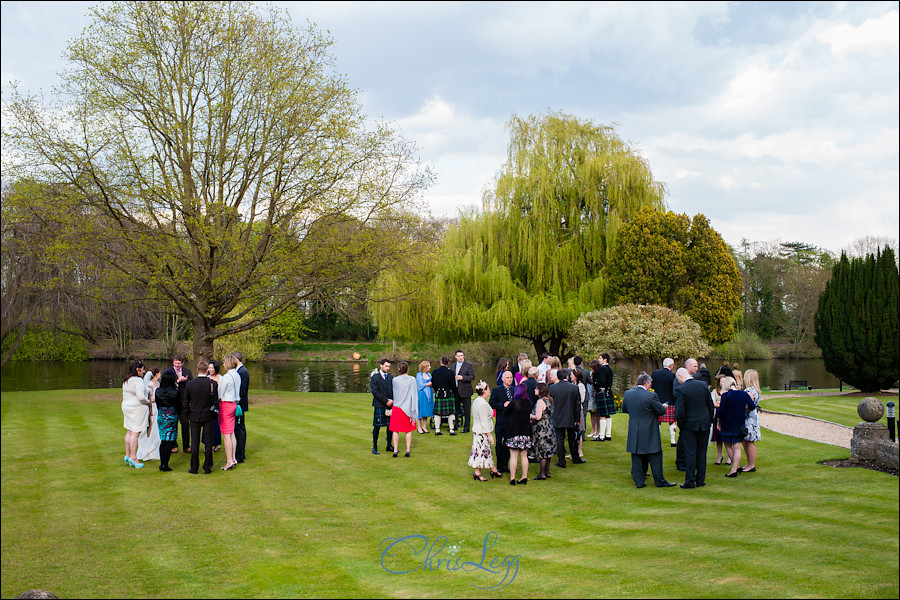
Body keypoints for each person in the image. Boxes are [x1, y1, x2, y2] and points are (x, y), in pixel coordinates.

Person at [623, 372, 677, 488]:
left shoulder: (628, 394)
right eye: (650, 384)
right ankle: (659, 480)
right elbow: (660, 411)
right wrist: (664, 407)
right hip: (649, 429)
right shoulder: (651, 396)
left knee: (637, 455)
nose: (651, 386)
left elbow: (625, 409)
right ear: (647, 383)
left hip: (634, 428)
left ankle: (639, 481)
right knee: (655, 454)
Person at [674, 367, 716, 489]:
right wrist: (710, 420)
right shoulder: (703, 385)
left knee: (690, 452)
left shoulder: (681, 389)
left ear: (681, 376)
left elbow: (680, 411)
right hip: (704, 423)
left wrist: (681, 424)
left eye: (678, 379)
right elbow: (710, 405)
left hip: (689, 425)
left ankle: (690, 480)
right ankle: (701, 479)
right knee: (702, 452)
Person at [717, 376, 757, 478]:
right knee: (737, 446)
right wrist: (744, 408)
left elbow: (721, 412)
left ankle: (735, 468)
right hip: (739, 423)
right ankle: (735, 467)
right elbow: (752, 406)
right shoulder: (744, 394)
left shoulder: (726, 395)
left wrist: (719, 422)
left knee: (727, 445)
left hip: (728, 423)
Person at [185, 360, 218, 474]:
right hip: (208, 415)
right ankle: (207, 467)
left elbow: (186, 402)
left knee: (195, 442)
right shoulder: (212, 384)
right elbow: (215, 402)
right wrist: (213, 415)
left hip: (194, 415)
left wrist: (188, 414)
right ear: (207, 370)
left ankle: (194, 467)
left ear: (197, 370)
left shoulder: (190, 384)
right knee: (208, 442)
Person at [549, 368, 584, 468]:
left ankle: (561, 461)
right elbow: (577, 404)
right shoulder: (573, 388)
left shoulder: (552, 388)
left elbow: (550, 404)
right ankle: (575, 458)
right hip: (571, 417)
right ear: (567, 377)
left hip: (558, 416)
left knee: (560, 439)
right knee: (572, 439)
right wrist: (577, 419)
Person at [469, 380, 501, 481]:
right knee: (482, 451)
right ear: (485, 391)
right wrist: (489, 434)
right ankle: (478, 472)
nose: (489, 391)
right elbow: (483, 421)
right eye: (488, 389)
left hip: (478, 430)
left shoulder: (477, 401)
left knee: (482, 451)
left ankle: (492, 469)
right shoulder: (483, 404)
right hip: (482, 432)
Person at [162, 355, 193, 454]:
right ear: (173, 362)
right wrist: (177, 381)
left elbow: (192, 384)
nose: (177, 365)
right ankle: (173, 445)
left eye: (179, 363)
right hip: (172, 402)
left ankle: (186, 446)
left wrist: (186, 380)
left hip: (184, 402)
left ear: (182, 363)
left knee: (185, 424)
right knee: (172, 424)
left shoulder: (187, 371)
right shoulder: (167, 372)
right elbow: (165, 385)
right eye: (175, 363)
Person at [121, 360, 148, 469]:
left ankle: (127, 455)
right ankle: (134, 457)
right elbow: (141, 397)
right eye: (143, 369)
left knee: (129, 430)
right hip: (136, 408)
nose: (144, 371)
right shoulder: (138, 381)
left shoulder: (126, 380)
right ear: (138, 369)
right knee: (135, 433)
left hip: (126, 407)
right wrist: (148, 402)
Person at [505, 382, 534, 485]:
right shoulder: (529, 403)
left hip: (514, 431)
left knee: (513, 455)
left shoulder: (513, 403)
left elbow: (506, 413)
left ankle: (512, 478)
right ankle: (524, 476)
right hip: (525, 431)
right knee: (524, 454)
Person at [528, 382, 557, 480]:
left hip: (542, 428)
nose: (534, 390)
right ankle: (547, 471)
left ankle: (542, 473)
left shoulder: (540, 401)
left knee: (542, 451)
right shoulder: (550, 400)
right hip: (550, 426)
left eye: (536, 389)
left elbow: (538, 416)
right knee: (548, 450)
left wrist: (530, 415)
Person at [217, 354, 241, 471]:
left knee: (226, 435)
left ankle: (229, 461)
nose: (223, 364)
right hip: (234, 404)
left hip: (226, 405)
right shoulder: (237, 375)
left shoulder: (226, 377)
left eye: (224, 362)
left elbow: (220, 393)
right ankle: (233, 458)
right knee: (231, 433)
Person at [489, 370, 515, 473]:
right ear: (503, 379)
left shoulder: (514, 390)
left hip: (511, 421)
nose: (510, 379)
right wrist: (502, 405)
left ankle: (505, 464)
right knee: (499, 443)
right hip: (501, 420)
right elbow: (492, 403)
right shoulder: (497, 390)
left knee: (508, 443)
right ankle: (499, 464)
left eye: (511, 378)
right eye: (508, 378)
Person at [390, 361, 418, 457]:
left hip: (397, 407)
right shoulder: (412, 379)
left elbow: (394, 393)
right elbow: (414, 394)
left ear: (399, 369)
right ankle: (407, 450)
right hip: (408, 407)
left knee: (395, 430)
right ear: (407, 369)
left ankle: (395, 450)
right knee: (408, 430)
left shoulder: (395, 380)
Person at [153, 371, 179, 471]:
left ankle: (162, 463)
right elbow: (178, 404)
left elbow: (158, 404)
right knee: (169, 440)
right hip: (171, 415)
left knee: (163, 440)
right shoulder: (175, 392)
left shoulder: (158, 391)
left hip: (161, 415)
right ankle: (165, 464)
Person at [136, 367, 161, 462]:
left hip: (157, 407)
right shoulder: (149, 385)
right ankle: (146, 450)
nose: (160, 375)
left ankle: (154, 450)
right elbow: (148, 397)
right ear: (156, 374)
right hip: (152, 407)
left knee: (156, 429)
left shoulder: (158, 384)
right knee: (150, 428)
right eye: (159, 373)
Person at [740, 369, 762, 473]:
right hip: (752, 417)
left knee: (749, 442)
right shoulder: (755, 390)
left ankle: (751, 465)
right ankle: (749, 463)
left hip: (749, 419)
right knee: (746, 441)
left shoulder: (750, 391)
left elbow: (747, 407)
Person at [370, 358, 394, 454]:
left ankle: (389, 445)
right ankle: (374, 447)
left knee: (390, 426)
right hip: (380, 405)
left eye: (389, 366)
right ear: (381, 365)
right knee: (377, 426)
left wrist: (392, 400)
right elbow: (375, 392)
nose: (387, 368)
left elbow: (393, 390)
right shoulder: (375, 377)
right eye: (386, 366)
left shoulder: (391, 377)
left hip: (390, 405)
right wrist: (385, 401)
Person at [652, 358, 678, 447]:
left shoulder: (655, 374)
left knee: (657, 421)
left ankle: (656, 440)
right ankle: (673, 441)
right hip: (670, 402)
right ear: (670, 366)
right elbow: (674, 389)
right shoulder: (672, 376)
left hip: (657, 401)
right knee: (672, 422)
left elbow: (652, 385)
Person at [592, 353, 615, 441]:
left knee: (602, 414)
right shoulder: (609, 369)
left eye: (600, 358)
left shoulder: (603, 369)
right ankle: (608, 435)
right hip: (608, 392)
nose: (599, 360)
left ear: (605, 359)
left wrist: (595, 384)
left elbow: (601, 381)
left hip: (602, 392)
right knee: (607, 414)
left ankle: (601, 436)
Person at [431, 356, 456, 435]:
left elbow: (433, 384)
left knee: (437, 413)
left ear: (440, 362)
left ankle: (437, 430)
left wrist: (437, 390)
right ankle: (451, 430)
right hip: (447, 394)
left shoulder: (434, 372)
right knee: (450, 413)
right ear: (448, 363)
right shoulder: (450, 372)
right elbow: (453, 385)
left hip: (438, 394)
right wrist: (455, 393)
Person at [452, 350, 475, 433]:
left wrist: (463, 378)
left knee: (467, 410)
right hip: (456, 391)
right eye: (458, 356)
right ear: (455, 357)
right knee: (455, 410)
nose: (460, 357)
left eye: (462, 355)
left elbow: (472, 377)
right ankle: (455, 426)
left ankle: (466, 428)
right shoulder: (453, 365)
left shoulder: (468, 365)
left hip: (465, 390)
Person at [711, 376, 731, 467]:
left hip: (726, 415)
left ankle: (729, 457)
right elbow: (713, 403)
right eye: (721, 381)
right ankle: (719, 456)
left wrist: (720, 404)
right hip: (717, 415)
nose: (722, 383)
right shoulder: (715, 391)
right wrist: (719, 404)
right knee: (718, 438)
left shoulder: (729, 392)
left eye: (724, 381)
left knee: (727, 438)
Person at [233, 351, 249, 463]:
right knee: (238, 428)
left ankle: (240, 454)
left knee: (239, 428)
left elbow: (242, 390)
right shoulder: (240, 371)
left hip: (240, 405)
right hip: (240, 404)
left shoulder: (242, 372)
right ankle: (238, 452)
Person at [570, 368, 587, 459]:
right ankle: (573, 450)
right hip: (571, 410)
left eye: (572, 375)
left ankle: (579, 450)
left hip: (578, 410)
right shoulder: (572, 385)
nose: (570, 376)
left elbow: (582, 399)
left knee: (579, 430)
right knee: (572, 431)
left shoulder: (580, 386)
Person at [415, 361, 434, 434]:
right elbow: (420, 385)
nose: (430, 367)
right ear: (425, 367)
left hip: (429, 394)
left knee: (426, 410)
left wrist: (431, 384)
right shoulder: (419, 375)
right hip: (422, 394)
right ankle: (419, 427)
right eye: (428, 366)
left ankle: (424, 426)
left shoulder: (429, 374)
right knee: (421, 410)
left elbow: (432, 382)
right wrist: (427, 384)